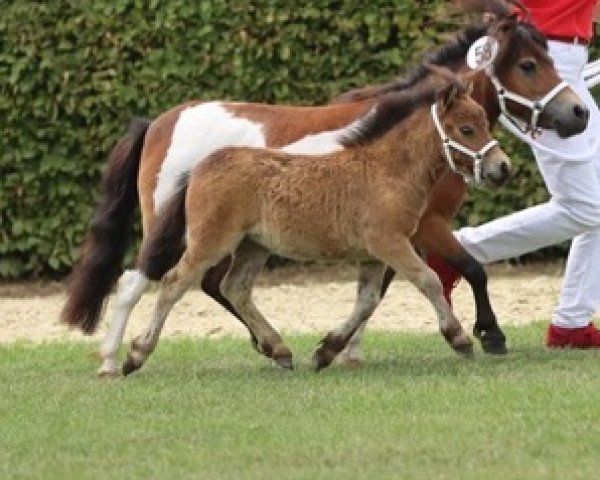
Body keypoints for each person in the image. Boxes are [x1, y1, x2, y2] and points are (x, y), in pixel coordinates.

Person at [436, 0, 600, 348]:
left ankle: (571, 326)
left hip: (562, 61)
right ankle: (457, 251)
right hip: (539, 68)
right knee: (586, 208)